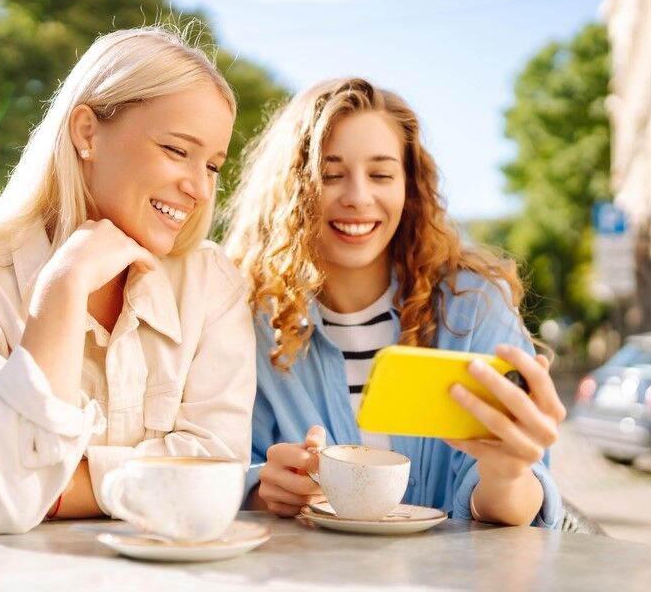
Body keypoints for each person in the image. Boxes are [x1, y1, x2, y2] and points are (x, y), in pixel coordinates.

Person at [0, 26, 256, 538]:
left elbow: (217, 466)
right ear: (86, 131)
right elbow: (4, 500)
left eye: (213, 164)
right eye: (176, 150)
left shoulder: (211, 283)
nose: (197, 186)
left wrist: (60, 493)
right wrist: (62, 288)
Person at [223, 77, 566, 527]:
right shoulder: (245, 319)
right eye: (330, 174)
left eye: (381, 174)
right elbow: (220, 468)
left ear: (411, 187)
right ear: (291, 189)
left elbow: (512, 511)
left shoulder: (474, 305)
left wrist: (506, 474)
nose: (358, 198)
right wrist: (264, 491)